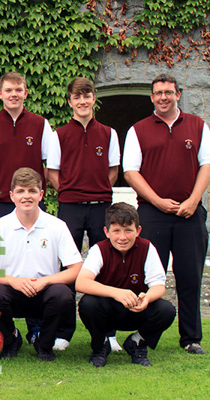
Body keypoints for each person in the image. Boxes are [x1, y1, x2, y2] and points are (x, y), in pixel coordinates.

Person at [123, 73, 210, 354]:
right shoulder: (138, 130)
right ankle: (144, 335)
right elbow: (130, 172)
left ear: (178, 95)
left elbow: (206, 165)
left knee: (190, 277)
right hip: (152, 213)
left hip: (189, 213)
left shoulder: (198, 126)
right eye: (158, 93)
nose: (163, 97)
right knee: (149, 277)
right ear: (152, 97)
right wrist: (158, 201)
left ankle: (191, 339)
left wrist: (194, 200)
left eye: (168, 92)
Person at [46, 76, 121, 351]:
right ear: (70, 101)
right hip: (70, 207)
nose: (82, 101)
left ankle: (108, 334)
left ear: (93, 99)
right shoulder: (59, 135)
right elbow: (52, 173)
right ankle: (64, 332)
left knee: (105, 267)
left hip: (101, 207)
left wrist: (97, 191)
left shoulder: (109, 134)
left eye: (86, 96)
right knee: (68, 269)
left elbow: (113, 171)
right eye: (77, 97)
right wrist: (72, 192)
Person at [0, 167, 82, 361]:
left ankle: (44, 343)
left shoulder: (57, 226)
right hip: (12, 292)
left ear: (41, 195)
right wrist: (13, 281)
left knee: (63, 294)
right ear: (12, 196)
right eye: (20, 191)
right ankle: (11, 338)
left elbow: (75, 268)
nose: (26, 196)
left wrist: (45, 281)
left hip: (44, 292)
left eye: (32, 191)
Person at [76, 202, 176, 367]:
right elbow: (81, 282)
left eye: (128, 230)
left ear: (138, 230)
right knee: (88, 304)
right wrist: (117, 293)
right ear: (107, 232)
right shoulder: (99, 249)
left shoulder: (147, 248)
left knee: (166, 310)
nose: (122, 237)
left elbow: (158, 285)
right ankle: (101, 345)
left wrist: (147, 298)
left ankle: (137, 342)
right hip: (107, 311)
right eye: (116, 231)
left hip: (136, 308)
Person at [0, 71, 53, 222]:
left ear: (25, 93)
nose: (14, 94)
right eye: (8, 90)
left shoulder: (41, 124)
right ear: (0, 94)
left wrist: (33, 187)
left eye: (18, 90)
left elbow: (50, 166)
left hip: (31, 201)